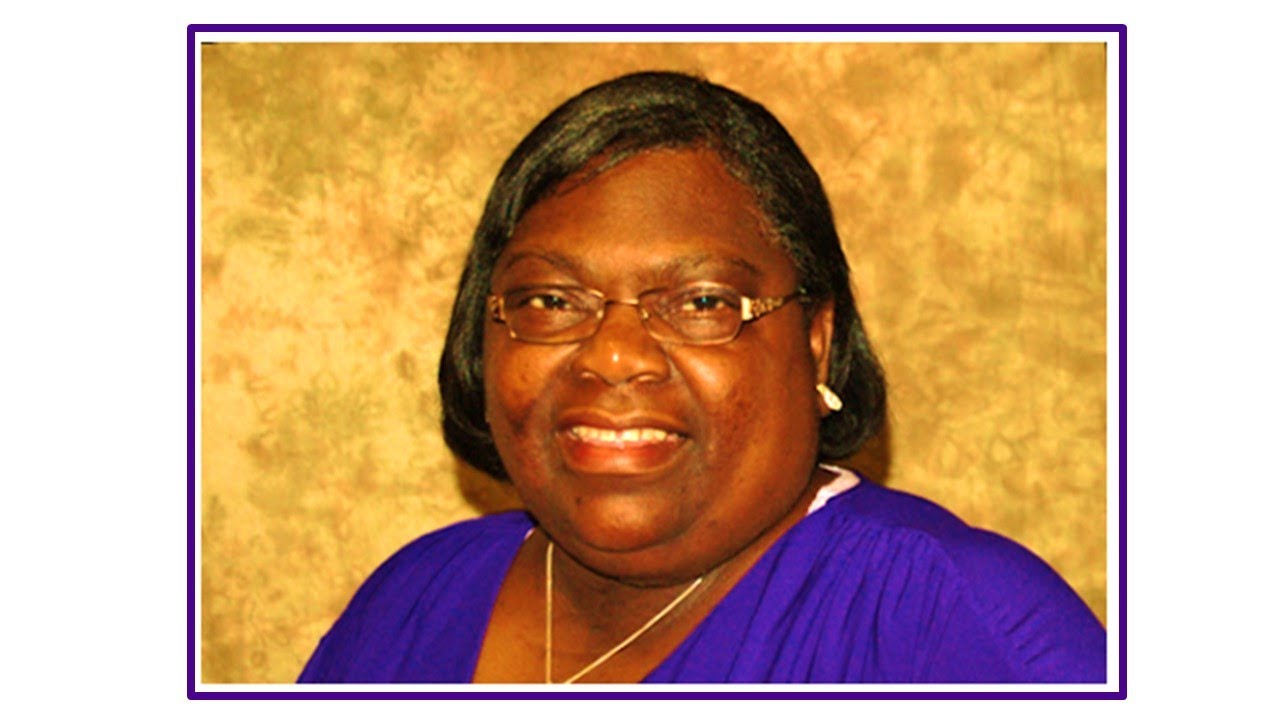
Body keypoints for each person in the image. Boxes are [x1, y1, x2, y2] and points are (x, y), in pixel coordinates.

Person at [298, 71, 1105, 684]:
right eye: (551, 300)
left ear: (817, 344)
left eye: (702, 302)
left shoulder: (952, 620)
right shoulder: (413, 598)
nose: (613, 356)